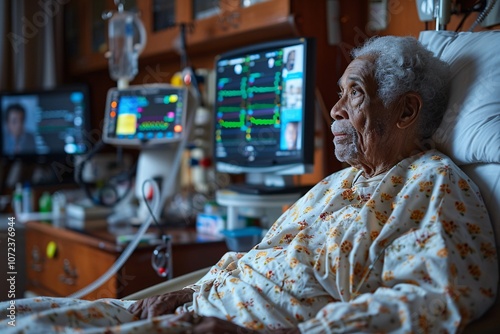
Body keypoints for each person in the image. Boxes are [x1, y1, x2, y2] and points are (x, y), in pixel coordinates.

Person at [1, 36, 498, 333]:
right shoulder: (336, 185)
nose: (336, 110)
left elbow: (434, 302)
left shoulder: (432, 185)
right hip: (191, 310)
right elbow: (264, 261)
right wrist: (189, 292)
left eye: (355, 94)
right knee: (17, 314)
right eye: (339, 94)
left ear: (407, 110)